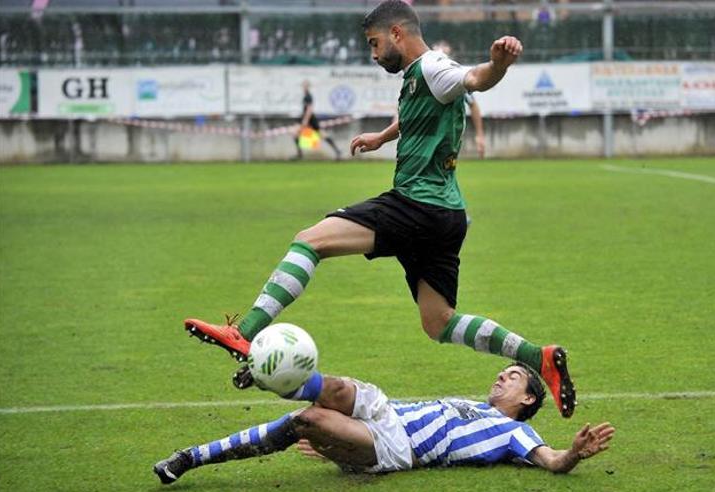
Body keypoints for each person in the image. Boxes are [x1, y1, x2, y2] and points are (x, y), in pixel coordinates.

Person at [183, 0, 577, 418]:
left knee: (310, 242)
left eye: (374, 44)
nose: (373, 55)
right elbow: (420, 112)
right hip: (445, 215)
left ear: (396, 34)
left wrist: (498, 64)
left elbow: (474, 79)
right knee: (439, 322)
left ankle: (244, 333)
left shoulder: (433, 67)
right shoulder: (417, 77)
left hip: (416, 205)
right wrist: (383, 137)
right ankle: (539, 357)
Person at [153, 363, 615, 483]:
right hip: (385, 410)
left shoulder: (518, 433)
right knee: (333, 391)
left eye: (512, 377)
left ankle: (192, 457)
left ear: (529, 398)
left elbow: (552, 461)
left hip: (395, 449)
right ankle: (267, 373)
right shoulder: (466, 401)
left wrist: (574, 452)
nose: (501, 375)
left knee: (307, 420)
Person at [431, 40, 486, 158]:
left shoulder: (454, 78)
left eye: (445, 48)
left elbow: (473, 105)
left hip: (445, 137)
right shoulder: (422, 75)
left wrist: (480, 135)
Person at [293, 80, 342, 161]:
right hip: (308, 119)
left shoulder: (308, 96)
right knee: (296, 134)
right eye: (303, 85)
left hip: (310, 119)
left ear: (308, 86)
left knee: (321, 135)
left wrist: (305, 120)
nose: (304, 87)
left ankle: (337, 151)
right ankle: (300, 153)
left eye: (305, 86)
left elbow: (309, 109)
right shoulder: (306, 96)